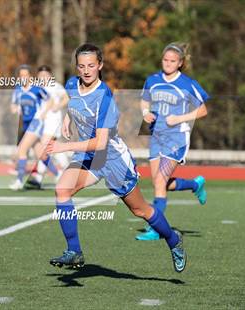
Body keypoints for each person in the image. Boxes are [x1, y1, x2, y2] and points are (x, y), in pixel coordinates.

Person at [46, 43, 187, 273]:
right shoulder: (72, 84)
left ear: (100, 65)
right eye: (82, 66)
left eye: (92, 65)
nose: (86, 70)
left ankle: (173, 240)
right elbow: (74, 105)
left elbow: (100, 143)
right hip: (88, 156)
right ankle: (74, 252)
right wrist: (67, 119)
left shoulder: (104, 98)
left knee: (140, 210)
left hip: (112, 160)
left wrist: (65, 146)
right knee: (62, 189)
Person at [135, 42, 209, 241]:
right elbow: (144, 100)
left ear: (180, 63)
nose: (168, 63)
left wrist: (180, 118)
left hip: (177, 139)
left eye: (172, 61)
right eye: (165, 60)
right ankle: (194, 185)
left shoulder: (187, 83)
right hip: (156, 137)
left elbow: (203, 110)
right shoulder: (153, 79)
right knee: (160, 184)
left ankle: (156, 228)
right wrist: (145, 113)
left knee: (160, 181)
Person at [9, 65, 57, 190]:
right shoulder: (18, 90)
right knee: (41, 154)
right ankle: (59, 175)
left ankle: (19, 181)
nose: (23, 77)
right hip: (26, 124)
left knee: (22, 150)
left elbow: (50, 100)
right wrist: (16, 109)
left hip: (36, 123)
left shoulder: (36, 89)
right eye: (21, 75)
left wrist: (44, 112)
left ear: (30, 76)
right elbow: (13, 106)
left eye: (26, 75)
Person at [25, 65, 70, 189]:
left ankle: (40, 177)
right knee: (48, 149)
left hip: (53, 122)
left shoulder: (55, 86)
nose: (43, 77)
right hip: (41, 124)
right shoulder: (37, 87)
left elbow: (66, 98)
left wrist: (58, 106)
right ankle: (68, 172)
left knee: (44, 147)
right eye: (41, 75)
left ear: (50, 76)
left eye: (45, 75)